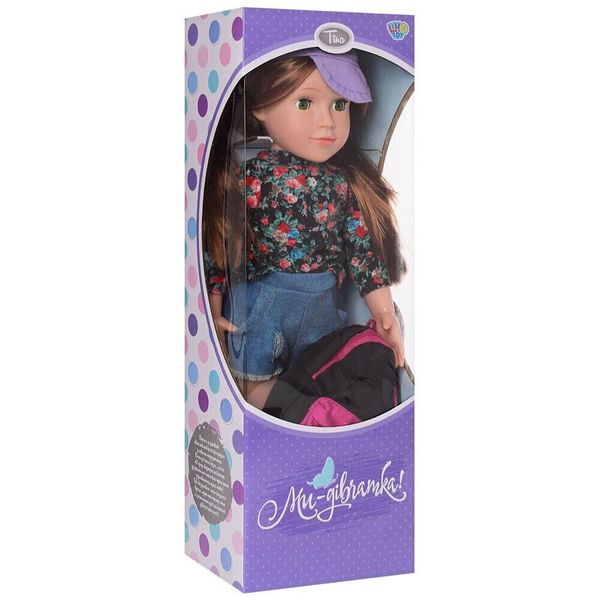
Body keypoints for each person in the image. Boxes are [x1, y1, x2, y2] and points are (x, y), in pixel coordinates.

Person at [203, 48, 406, 410]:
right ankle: (298, 417)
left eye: (339, 105)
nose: (327, 122)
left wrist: (383, 312)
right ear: (259, 108)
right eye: (304, 103)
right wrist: (211, 310)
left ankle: (312, 419)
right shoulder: (249, 179)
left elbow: (362, 252)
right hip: (264, 303)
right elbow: (221, 243)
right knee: (248, 385)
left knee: (321, 375)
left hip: (322, 306)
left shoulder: (342, 184)